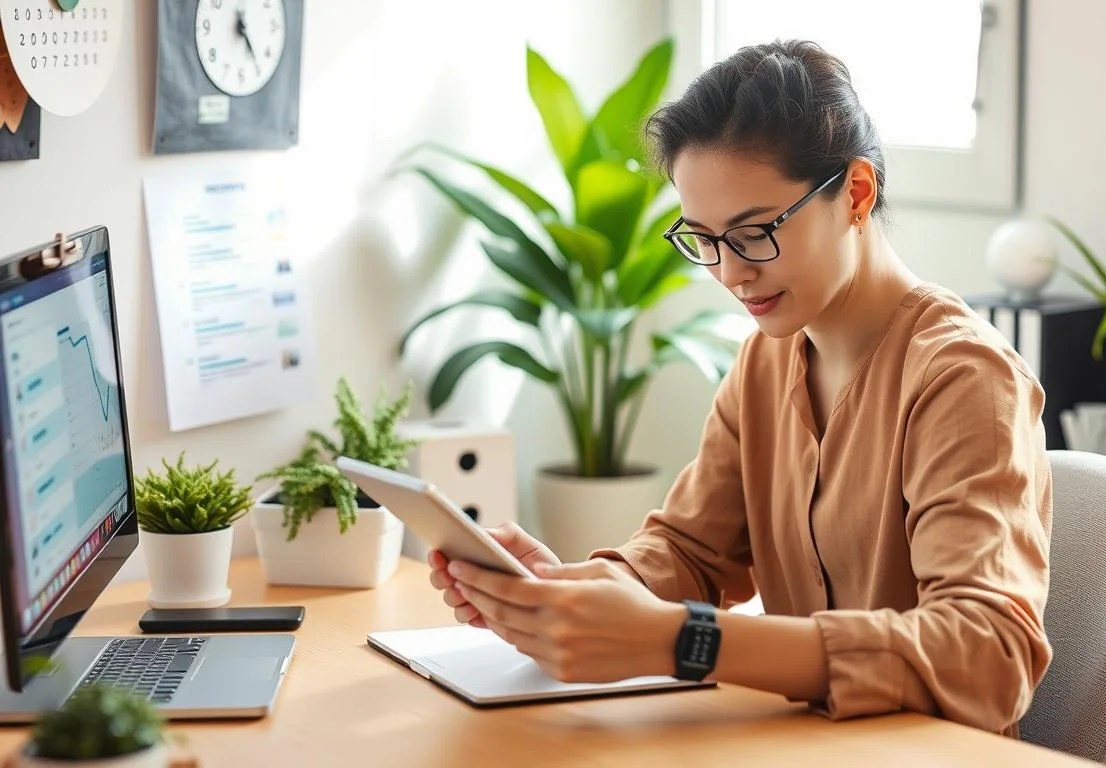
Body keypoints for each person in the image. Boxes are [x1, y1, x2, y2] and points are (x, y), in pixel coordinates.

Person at [428, 39, 1052, 737]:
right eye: (703, 239)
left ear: (855, 192)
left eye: (753, 233)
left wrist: (684, 640)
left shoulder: (963, 379)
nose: (728, 272)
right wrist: (584, 594)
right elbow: (694, 551)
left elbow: (989, 657)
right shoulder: (767, 359)